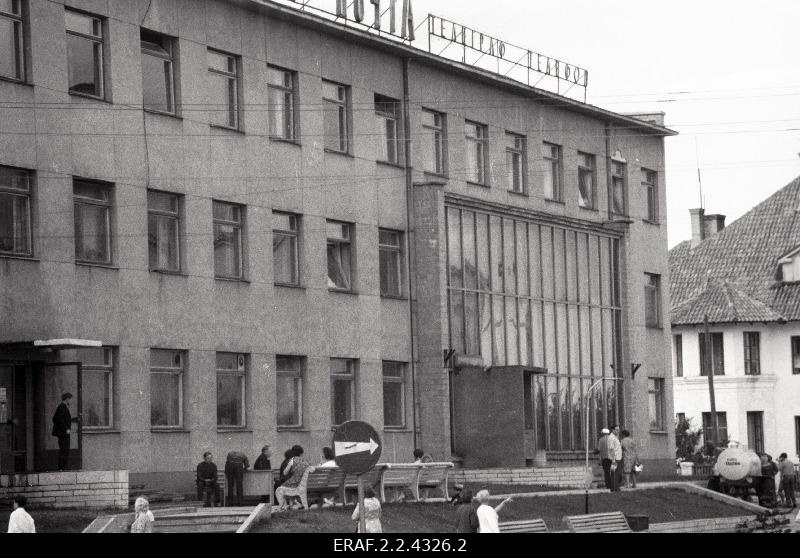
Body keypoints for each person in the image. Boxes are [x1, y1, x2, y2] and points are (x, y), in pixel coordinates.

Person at [276, 445, 310, 510]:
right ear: (301, 453)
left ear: (292, 453)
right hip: (305, 484)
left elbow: (285, 473)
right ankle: (291, 504)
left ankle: (283, 507)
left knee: (279, 489)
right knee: (288, 486)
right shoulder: (306, 461)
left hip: (296, 484)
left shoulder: (292, 460)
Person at [51, 392, 77, 471]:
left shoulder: (62, 407)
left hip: (63, 433)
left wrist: (74, 420)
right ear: (67, 399)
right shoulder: (62, 407)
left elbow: (63, 419)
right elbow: (58, 419)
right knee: (64, 449)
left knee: (64, 449)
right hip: (63, 433)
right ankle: (62, 467)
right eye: (71, 399)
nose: (71, 402)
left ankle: (63, 467)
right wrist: (66, 429)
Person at [607, 425, 623, 492]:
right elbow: (611, 449)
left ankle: (616, 487)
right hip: (614, 459)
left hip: (618, 458)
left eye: (618, 429)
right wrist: (613, 460)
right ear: (612, 430)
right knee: (615, 474)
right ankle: (614, 488)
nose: (618, 431)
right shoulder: (611, 438)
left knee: (617, 473)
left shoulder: (615, 437)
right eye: (616, 429)